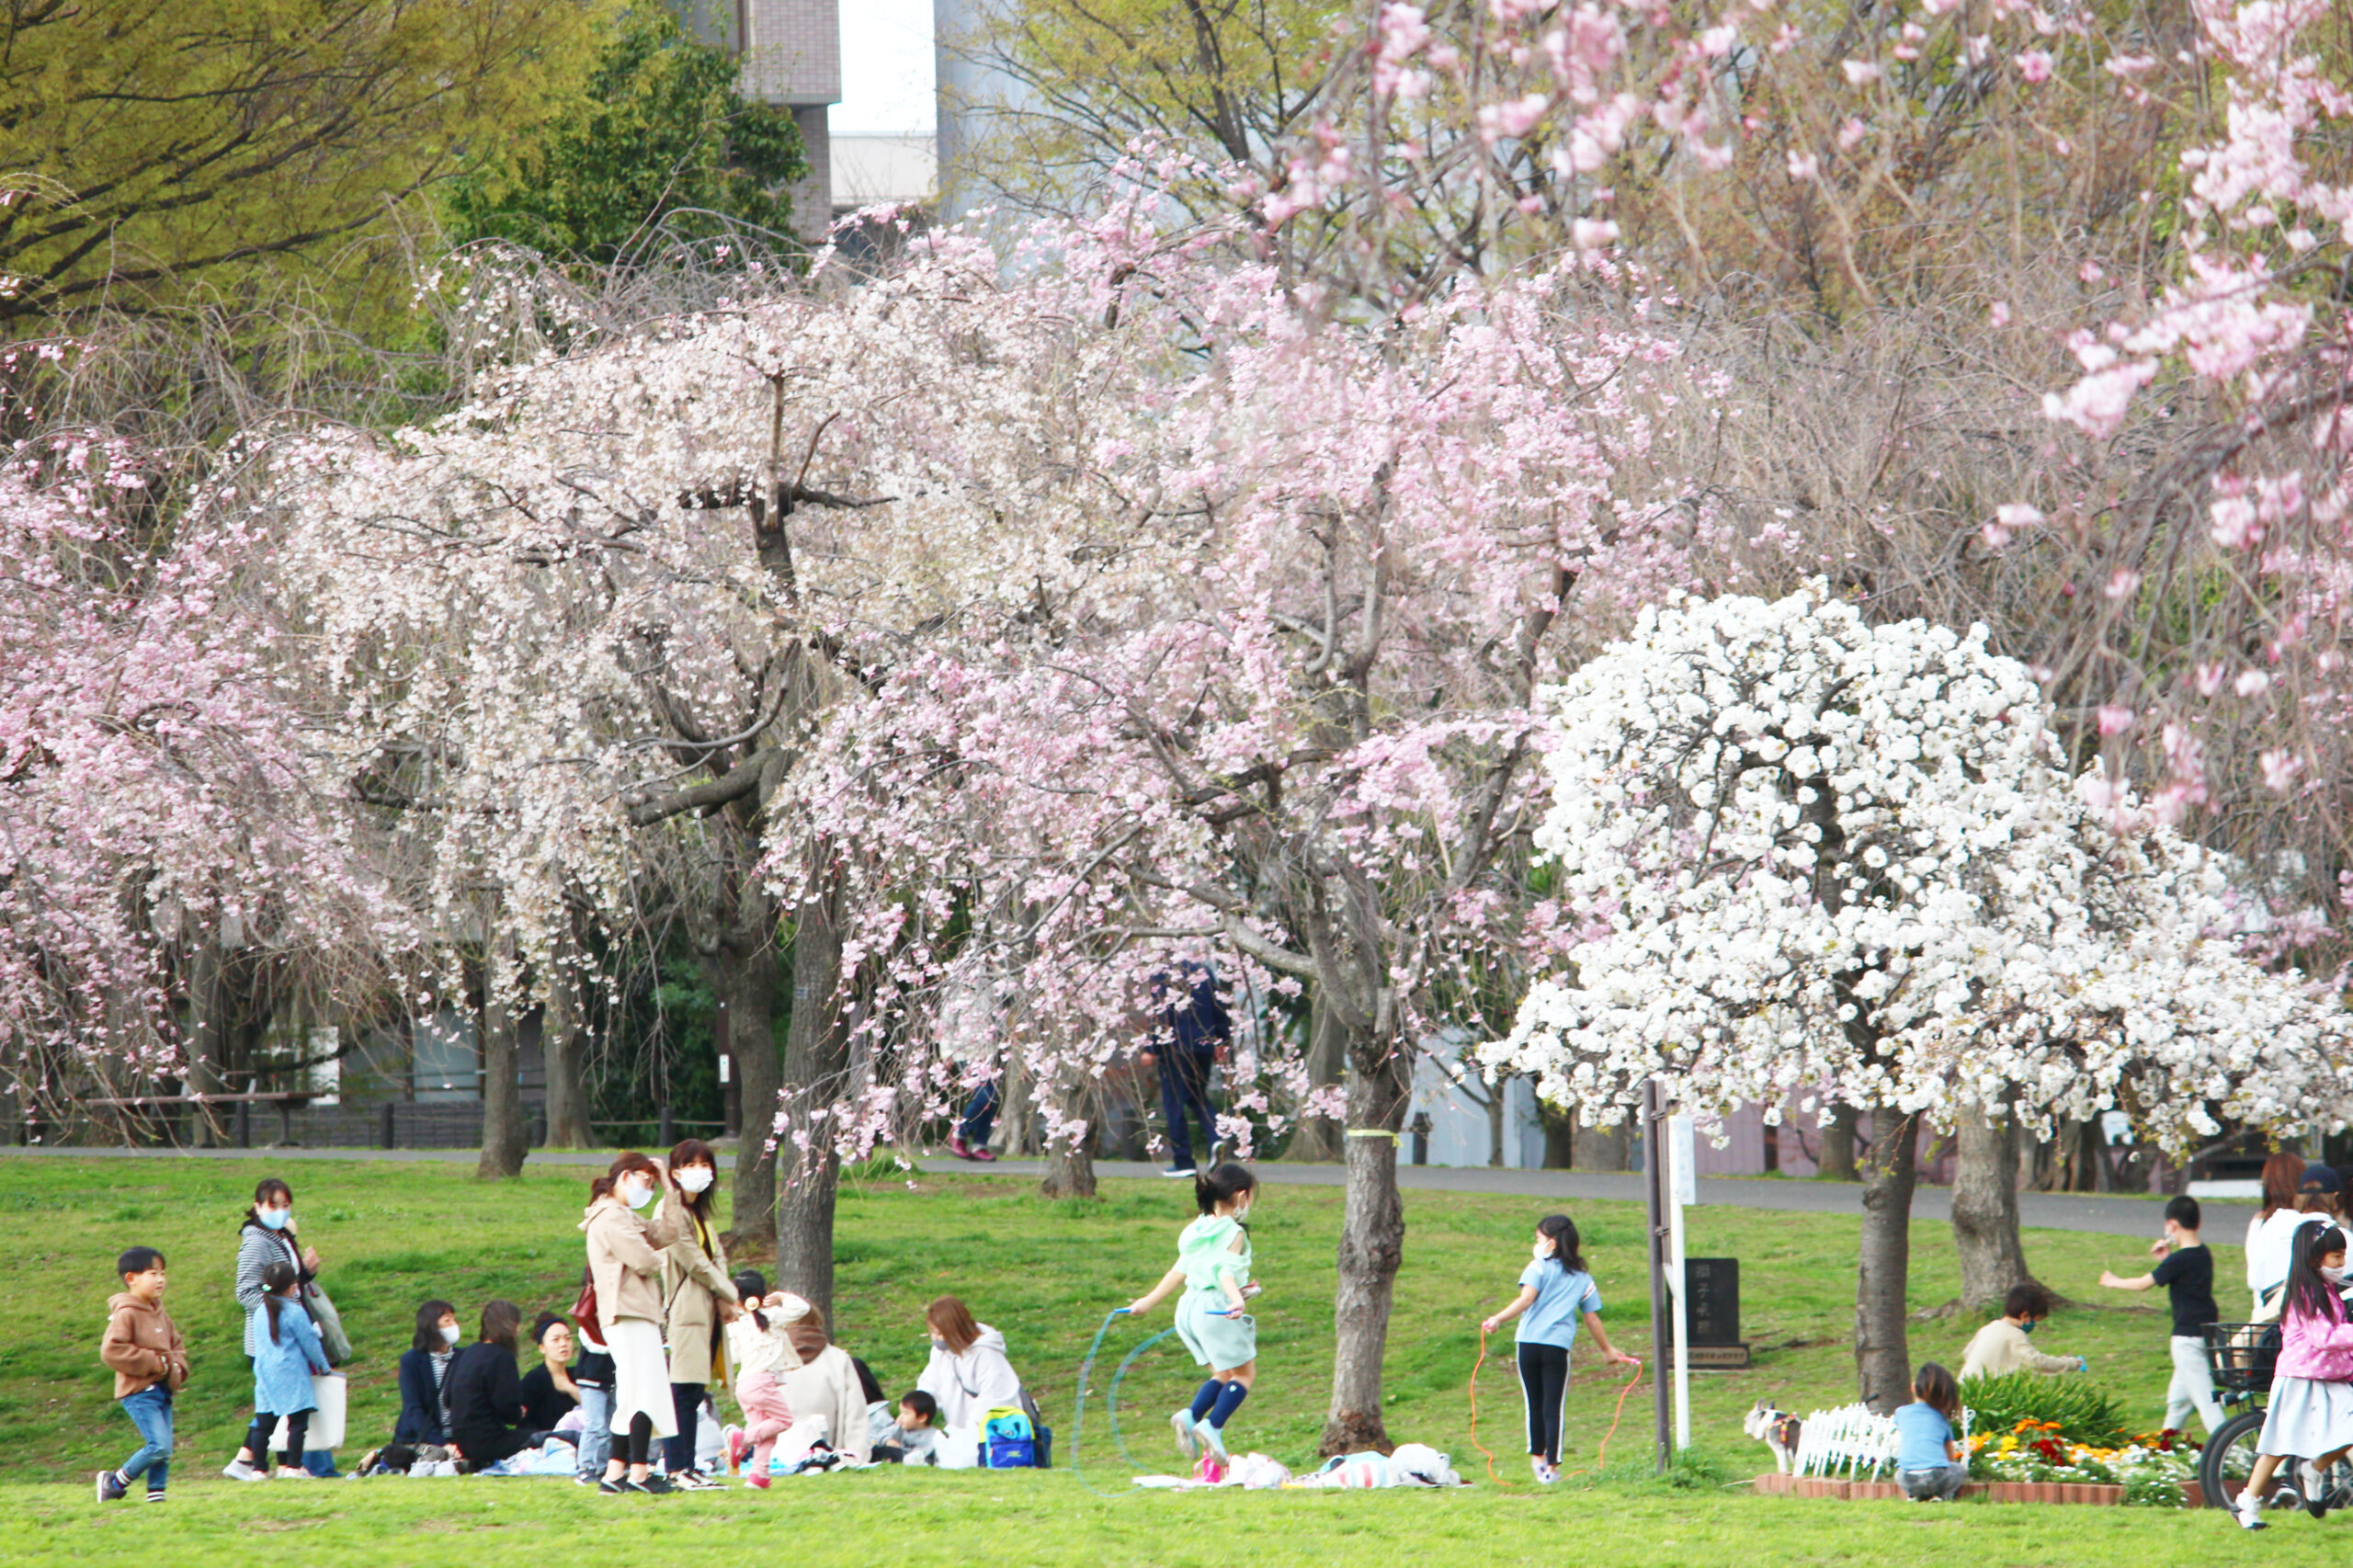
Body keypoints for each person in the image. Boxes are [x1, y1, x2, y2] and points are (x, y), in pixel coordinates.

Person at [1479, 1213, 1640, 1483]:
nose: (1536, 1244)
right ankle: (1552, 1468)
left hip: (1528, 1343)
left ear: (1551, 1243)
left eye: (1538, 1239)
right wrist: (1607, 1350)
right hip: (1557, 1347)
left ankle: (1537, 1459)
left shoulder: (1537, 1267)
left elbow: (1526, 1298)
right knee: (1554, 1405)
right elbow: (1592, 1318)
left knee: (1534, 1403)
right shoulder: (1582, 1278)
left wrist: (1497, 1319)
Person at [1125, 1162, 1261, 1463]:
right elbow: (1225, 1271)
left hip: (1187, 1309)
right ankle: (1212, 1426)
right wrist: (1237, 1299)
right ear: (1241, 1197)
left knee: (1223, 1373)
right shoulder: (1232, 1230)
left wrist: (1147, 1301)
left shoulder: (1197, 1228)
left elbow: (1180, 1270)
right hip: (1214, 1308)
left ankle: (1190, 1415)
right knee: (1244, 1373)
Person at [2231, 1221, 2353, 1530]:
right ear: (2315, 1259)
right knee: (2278, 1445)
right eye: (2337, 1256)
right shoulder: (2305, 1293)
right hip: (2299, 1378)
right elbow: (2324, 1336)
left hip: (2330, 1377)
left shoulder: (2326, 1290)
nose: (2342, 1263)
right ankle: (2247, 1502)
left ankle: (2314, 1469)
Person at [581, 1152, 685, 1494]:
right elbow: (644, 1259)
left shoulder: (623, 1216)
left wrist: (669, 1188)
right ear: (625, 1177)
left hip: (636, 1312)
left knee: (639, 1390)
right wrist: (659, 1259)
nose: (649, 1187)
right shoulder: (610, 1217)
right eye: (646, 1180)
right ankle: (630, 1472)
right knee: (640, 1390)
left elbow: (668, 1231)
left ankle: (622, 1471)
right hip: (625, 1313)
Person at [227, 1176, 327, 1476]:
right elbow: (246, 1292)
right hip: (271, 1341)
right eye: (274, 1205)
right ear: (258, 1206)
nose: (281, 1210)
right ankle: (259, 1463)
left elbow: (284, 1285)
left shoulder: (280, 1235)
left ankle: (270, 1464)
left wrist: (305, 1275)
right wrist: (281, 1312)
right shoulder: (257, 1241)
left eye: (286, 1205)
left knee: (277, 1405)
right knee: (276, 1406)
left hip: (288, 1337)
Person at [2099, 1195, 2223, 1435]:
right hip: (2206, 1334)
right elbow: (2185, 1276)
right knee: (2178, 1402)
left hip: (2186, 1339)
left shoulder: (2178, 1260)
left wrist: (2113, 1282)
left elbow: (2143, 1285)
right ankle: (2164, 1447)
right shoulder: (2202, 1254)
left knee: (2207, 1403)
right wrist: (2166, 1259)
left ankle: (2236, 1456)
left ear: (2172, 1225)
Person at [658, 1138, 739, 1488]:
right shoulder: (671, 1210)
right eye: (690, 1165)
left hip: (705, 1309)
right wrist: (730, 1292)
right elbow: (693, 1260)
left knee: (693, 1393)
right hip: (686, 1309)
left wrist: (723, 1295)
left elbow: (717, 1255)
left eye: (705, 1165)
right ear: (675, 1172)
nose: (699, 1172)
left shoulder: (699, 1214)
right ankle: (677, 1466)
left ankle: (686, 1465)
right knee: (683, 1392)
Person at [97, 1246, 187, 1503]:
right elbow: (112, 1350)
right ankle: (113, 1482)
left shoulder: (159, 1311)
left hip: (162, 1389)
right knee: (158, 1445)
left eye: (163, 1273)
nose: (160, 1279)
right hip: (139, 1392)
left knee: (165, 1449)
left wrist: (177, 1367)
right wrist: (154, 1362)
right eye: (152, 1273)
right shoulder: (126, 1312)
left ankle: (156, 1497)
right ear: (131, 1279)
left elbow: (176, 1344)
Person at [225, 1261, 328, 1481]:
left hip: (264, 1371)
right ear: (291, 1286)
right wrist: (323, 1365)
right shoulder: (294, 1311)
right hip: (291, 1372)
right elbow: (309, 1342)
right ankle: (293, 1467)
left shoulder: (260, 1311)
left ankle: (259, 1469)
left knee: (264, 1424)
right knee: (297, 1423)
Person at [1138, 964, 1231, 1177]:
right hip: (1204, 1045)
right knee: (1197, 1096)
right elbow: (1220, 1008)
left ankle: (1183, 1161)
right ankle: (1216, 1138)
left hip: (1176, 1048)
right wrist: (1221, 1041)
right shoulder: (1204, 971)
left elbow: (1159, 1013)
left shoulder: (1162, 973)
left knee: (1174, 1102)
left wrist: (1151, 1048)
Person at [722, 1269, 801, 1488]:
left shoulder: (736, 1326)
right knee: (784, 1420)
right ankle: (742, 1439)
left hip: (744, 1384)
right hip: (761, 1382)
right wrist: (782, 1297)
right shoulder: (771, 1317)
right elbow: (801, 1309)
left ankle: (759, 1476)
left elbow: (734, 1356)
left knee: (766, 1431)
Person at [775, 1297, 873, 1465]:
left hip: (778, 1459)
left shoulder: (767, 1359)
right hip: (830, 1460)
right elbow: (855, 1415)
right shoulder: (838, 1359)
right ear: (817, 1322)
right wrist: (856, 1458)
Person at [447, 1301, 537, 1471]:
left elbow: (447, 1399)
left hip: (461, 1440)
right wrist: (519, 1412)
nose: (519, 1331)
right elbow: (507, 1409)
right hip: (488, 1440)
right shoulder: (502, 1357)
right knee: (545, 1437)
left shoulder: (466, 1353)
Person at [916, 1296, 1026, 1435]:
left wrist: (971, 1430)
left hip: (991, 1436)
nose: (935, 1338)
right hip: (963, 1434)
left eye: (939, 1333)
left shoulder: (986, 1354)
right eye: (932, 1332)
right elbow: (931, 1382)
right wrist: (918, 1405)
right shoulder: (941, 1352)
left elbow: (995, 1397)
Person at [1958, 1284, 2085, 1381]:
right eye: (2035, 1320)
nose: (2034, 1325)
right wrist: (2070, 1363)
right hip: (1984, 1394)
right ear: (2025, 1315)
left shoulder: (1988, 1328)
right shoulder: (2014, 1335)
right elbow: (2036, 1362)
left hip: (1965, 1386)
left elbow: (1967, 1352)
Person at [1893, 1362, 1969, 1502]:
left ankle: (1914, 1495)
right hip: (1936, 1477)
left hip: (1907, 1478)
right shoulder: (1941, 1418)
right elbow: (1950, 1457)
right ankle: (1942, 1495)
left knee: (1899, 1471)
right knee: (1959, 1470)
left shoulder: (1901, 1413)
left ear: (1913, 1388)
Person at [392, 1300, 460, 1448]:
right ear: (432, 1326)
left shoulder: (463, 1357)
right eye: (447, 1320)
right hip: (425, 1439)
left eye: (454, 1319)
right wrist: (441, 1443)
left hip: (459, 1438)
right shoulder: (411, 1361)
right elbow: (413, 1408)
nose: (454, 1325)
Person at [2248, 1153, 2310, 1314]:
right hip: (2306, 1314)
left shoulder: (2260, 1223)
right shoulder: (2311, 1222)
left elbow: (2255, 1279)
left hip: (2267, 1314)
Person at [571, 1279, 617, 1486]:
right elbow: (592, 1342)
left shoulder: (616, 1308)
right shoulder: (587, 1309)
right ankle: (585, 1466)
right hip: (590, 1378)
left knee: (610, 1425)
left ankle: (602, 1466)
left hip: (611, 1378)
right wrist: (618, 1346)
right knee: (595, 1424)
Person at [520, 1313, 582, 1435]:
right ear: (542, 1347)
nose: (564, 1344)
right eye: (556, 1340)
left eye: (568, 1338)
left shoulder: (579, 1374)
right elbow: (524, 1422)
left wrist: (569, 1387)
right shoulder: (533, 1380)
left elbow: (596, 1409)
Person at [876, 1391, 941, 1465]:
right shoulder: (899, 1428)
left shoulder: (934, 1435)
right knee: (878, 1450)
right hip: (895, 1455)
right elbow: (881, 1435)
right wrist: (888, 1441)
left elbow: (931, 1453)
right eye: (901, 1413)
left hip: (915, 1460)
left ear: (922, 1417)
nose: (900, 1418)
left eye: (905, 1413)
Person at [947, 1077, 1001, 1163]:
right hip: (974, 1066)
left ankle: (980, 1146)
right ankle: (959, 1133)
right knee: (984, 1098)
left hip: (988, 1066)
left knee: (992, 1099)